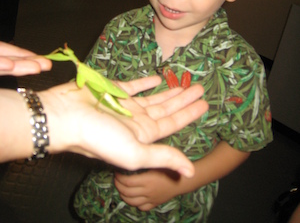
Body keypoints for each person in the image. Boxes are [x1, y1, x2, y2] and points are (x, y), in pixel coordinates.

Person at [73, 0, 274, 222]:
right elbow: (88, 92)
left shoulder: (240, 65)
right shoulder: (120, 29)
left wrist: (177, 183)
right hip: (104, 193)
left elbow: (244, 141)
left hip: (172, 208)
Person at [0, 41, 208, 176]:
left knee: (98, 92)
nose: (67, 53)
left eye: (67, 52)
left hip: (109, 96)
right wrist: (54, 111)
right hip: (105, 95)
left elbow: (81, 85)